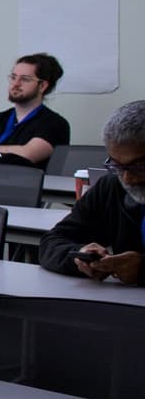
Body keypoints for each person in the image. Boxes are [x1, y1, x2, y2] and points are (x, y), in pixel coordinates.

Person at [39, 99, 145, 286]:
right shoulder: (112, 187)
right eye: (117, 166)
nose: (128, 179)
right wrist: (79, 256)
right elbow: (52, 241)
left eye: (138, 167)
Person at [0, 53, 70, 168]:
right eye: (13, 77)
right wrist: (3, 153)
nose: (16, 84)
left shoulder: (55, 124)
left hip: (24, 179)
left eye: (25, 79)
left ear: (42, 86)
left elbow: (27, 155)